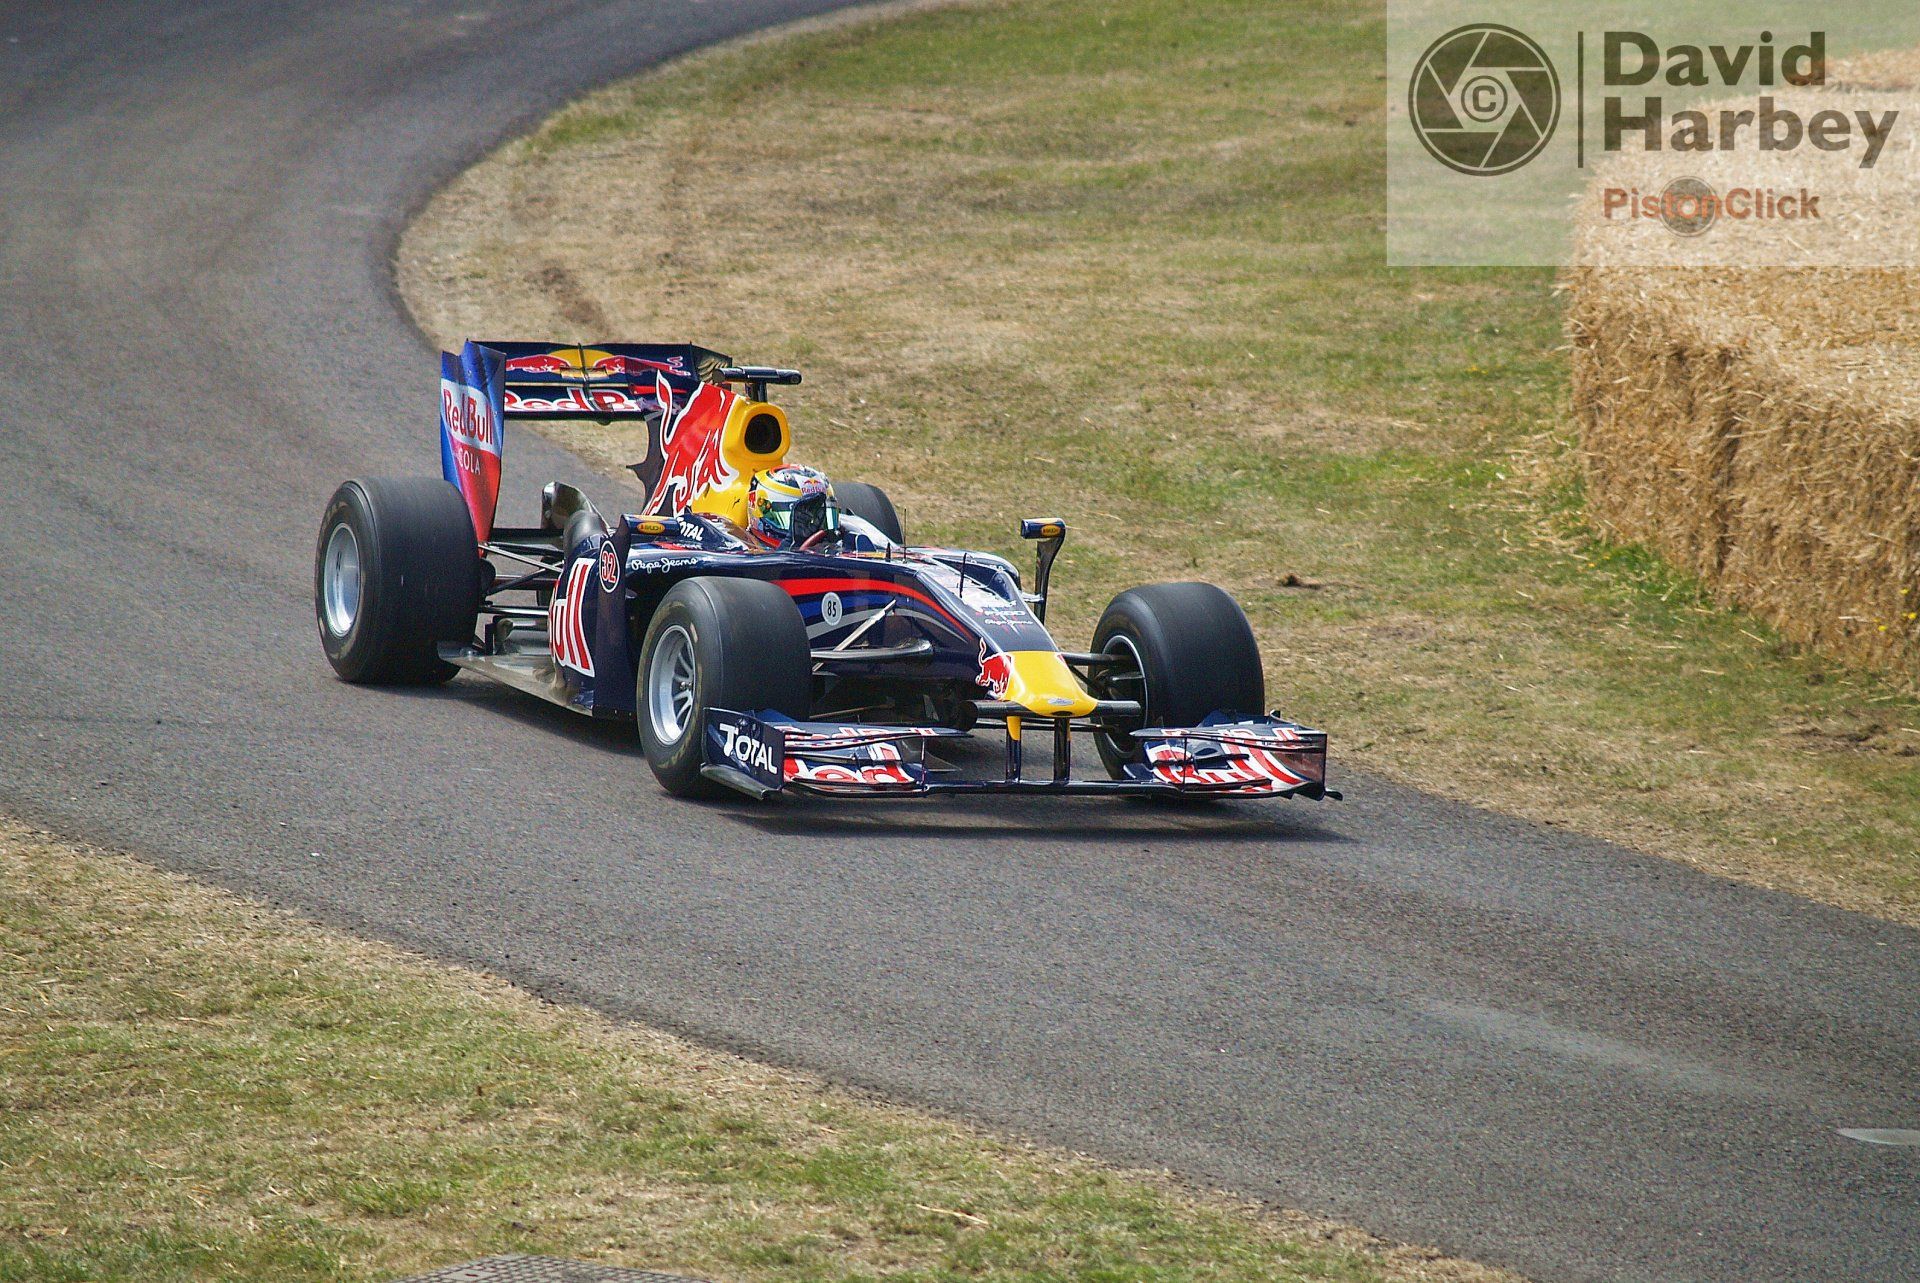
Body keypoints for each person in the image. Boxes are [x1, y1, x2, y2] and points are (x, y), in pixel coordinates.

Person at [744, 464, 839, 550]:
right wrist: (787, 548)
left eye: (819, 515)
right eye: (799, 519)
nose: (810, 531)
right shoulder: (741, 550)